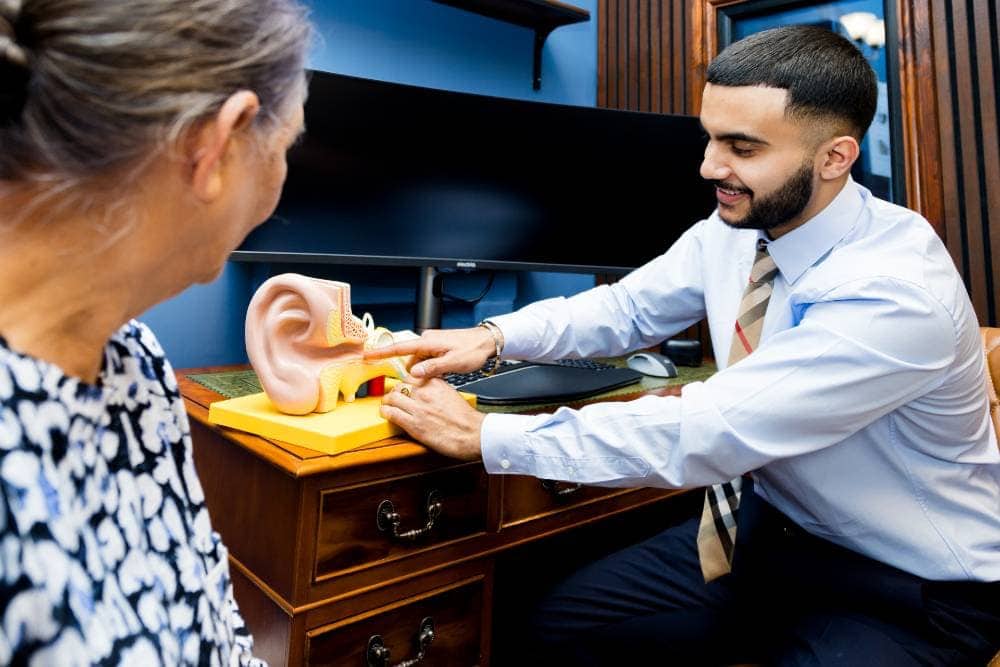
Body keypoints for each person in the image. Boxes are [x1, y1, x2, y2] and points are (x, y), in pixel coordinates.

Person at [369, 26, 1000, 665]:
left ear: (835, 158)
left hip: (912, 588)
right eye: (710, 137)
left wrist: (486, 438)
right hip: (778, 534)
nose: (708, 166)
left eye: (742, 147)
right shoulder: (738, 225)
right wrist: (494, 335)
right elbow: (628, 307)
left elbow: (711, 429)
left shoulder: (895, 292)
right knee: (558, 626)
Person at [0, 0, 309, 663]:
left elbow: (220, 635)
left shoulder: (135, 363)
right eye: (286, 148)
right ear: (218, 148)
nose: (282, 181)